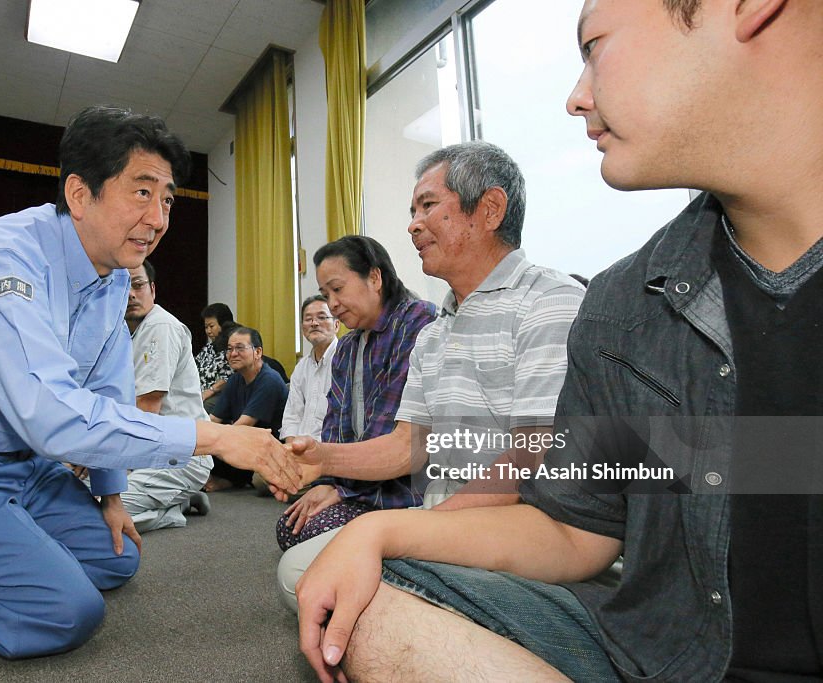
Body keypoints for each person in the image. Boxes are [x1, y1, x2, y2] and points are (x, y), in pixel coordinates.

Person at [294, 1, 823, 682]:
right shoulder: (620, 307)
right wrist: (374, 524)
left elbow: (533, 451)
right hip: (657, 650)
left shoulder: (558, 304)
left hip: (520, 536)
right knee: (361, 606)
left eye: (595, 46)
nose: (576, 98)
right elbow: (576, 527)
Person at [0, 106, 300, 660]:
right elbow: (51, 411)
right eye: (142, 193)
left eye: (169, 200)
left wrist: (110, 494)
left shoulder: (110, 282)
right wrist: (220, 437)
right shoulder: (2, 257)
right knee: (65, 613)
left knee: (116, 559)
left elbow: (105, 390)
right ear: (80, 195)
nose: (158, 219)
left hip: (19, 462)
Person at [275, 236, 441, 601]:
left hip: (406, 488)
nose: (332, 305)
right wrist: (329, 483)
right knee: (290, 527)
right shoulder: (348, 346)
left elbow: (397, 442)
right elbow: (335, 425)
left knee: (309, 533)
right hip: (359, 481)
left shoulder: (416, 323)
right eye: (325, 293)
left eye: (337, 289)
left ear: (375, 278)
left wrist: (338, 487)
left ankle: (393, 569)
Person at [119, 259, 212, 531]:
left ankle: (171, 511)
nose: (131, 294)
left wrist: (114, 466)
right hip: (153, 452)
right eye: (122, 286)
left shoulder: (160, 326)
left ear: (153, 289)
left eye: (138, 285)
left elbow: (147, 408)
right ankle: (179, 496)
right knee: (74, 495)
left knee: (102, 510)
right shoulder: (125, 333)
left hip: (181, 455)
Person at [252, 295, 341, 497]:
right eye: (308, 319)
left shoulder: (344, 360)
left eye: (321, 317)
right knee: (259, 476)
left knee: (284, 480)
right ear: (302, 327)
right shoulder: (302, 367)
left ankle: (310, 485)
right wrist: (291, 450)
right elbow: (292, 413)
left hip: (328, 451)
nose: (314, 323)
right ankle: (303, 485)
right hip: (301, 448)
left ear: (336, 325)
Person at [206, 326, 288, 491]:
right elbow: (213, 419)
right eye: (229, 349)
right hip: (244, 441)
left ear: (257, 352)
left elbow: (243, 425)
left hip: (268, 449)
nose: (233, 354)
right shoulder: (235, 379)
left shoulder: (269, 380)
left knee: (219, 446)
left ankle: (233, 480)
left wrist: (209, 443)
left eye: (240, 348)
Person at [196, 302, 234, 412]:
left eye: (211, 326)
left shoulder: (233, 348)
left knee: (202, 408)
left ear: (223, 324)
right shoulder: (207, 348)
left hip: (220, 394)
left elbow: (231, 377)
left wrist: (210, 391)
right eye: (206, 327)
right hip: (200, 394)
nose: (208, 331)